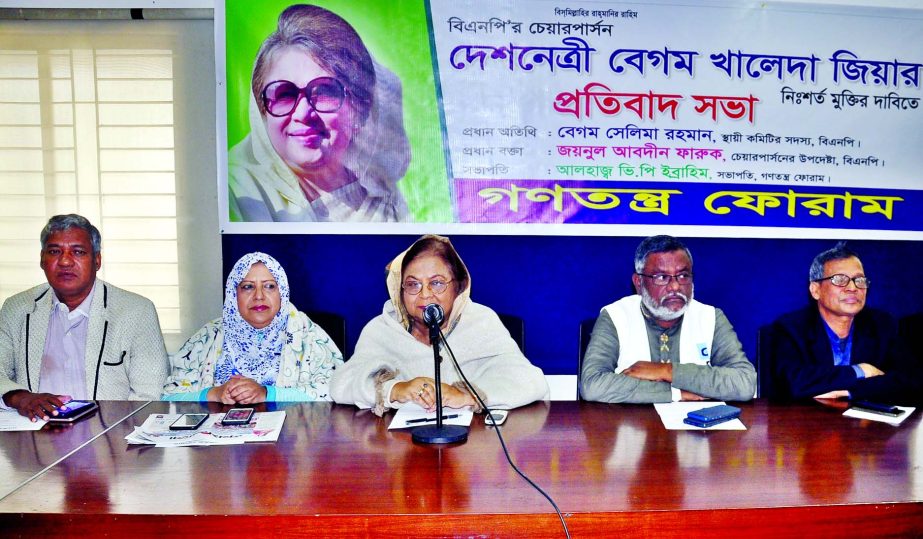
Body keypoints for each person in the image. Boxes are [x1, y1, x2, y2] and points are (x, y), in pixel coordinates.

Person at [229, 3, 411, 222]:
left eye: (325, 92)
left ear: (361, 109)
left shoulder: (387, 207)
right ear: (261, 112)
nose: (303, 113)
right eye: (284, 94)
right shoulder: (237, 193)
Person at [330, 235, 548, 415]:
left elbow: (531, 382)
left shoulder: (481, 321)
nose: (425, 294)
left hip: (473, 449)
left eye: (436, 283)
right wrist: (396, 389)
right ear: (400, 291)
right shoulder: (381, 329)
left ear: (458, 287)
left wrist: (463, 395)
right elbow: (341, 385)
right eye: (413, 284)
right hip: (401, 454)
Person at [0, 214, 169, 420]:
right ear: (42, 259)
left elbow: (149, 395)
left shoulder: (136, 312)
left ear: (97, 260)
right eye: (54, 251)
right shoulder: (17, 308)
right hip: (33, 433)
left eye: (78, 252)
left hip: (109, 438)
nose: (64, 261)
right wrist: (21, 398)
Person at [581, 235, 756, 403]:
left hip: (696, 431)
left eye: (683, 276)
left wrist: (666, 371)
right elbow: (592, 385)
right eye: (662, 277)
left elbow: (744, 383)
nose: (675, 286)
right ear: (639, 283)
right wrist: (675, 393)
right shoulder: (616, 316)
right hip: (630, 429)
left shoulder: (710, 317)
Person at [163, 252, 342, 403]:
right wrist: (213, 394)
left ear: (283, 293)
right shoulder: (209, 336)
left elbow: (337, 391)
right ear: (234, 294)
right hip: (221, 441)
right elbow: (168, 397)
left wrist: (267, 394)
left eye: (269, 286)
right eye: (248, 287)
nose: (259, 296)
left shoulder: (307, 334)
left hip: (288, 438)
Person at [770, 243, 919, 404]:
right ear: (815, 290)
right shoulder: (791, 328)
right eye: (840, 280)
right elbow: (794, 382)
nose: (852, 287)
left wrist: (851, 391)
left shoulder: (882, 325)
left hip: (867, 425)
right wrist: (860, 370)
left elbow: (911, 381)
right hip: (807, 424)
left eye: (859, 280)